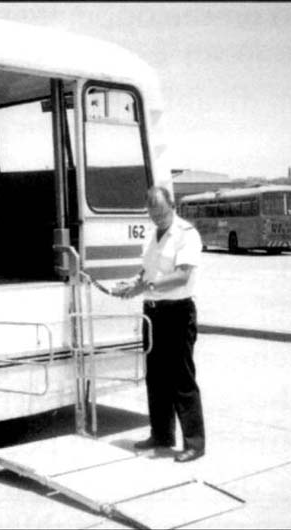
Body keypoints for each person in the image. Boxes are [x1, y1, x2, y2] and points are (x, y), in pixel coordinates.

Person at [113, 185, 205, 463]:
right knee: (156, 377)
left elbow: (181, 276)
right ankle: (162, 434)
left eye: (162, 214)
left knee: (181, 378)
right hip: (153, 313)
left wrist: (147, 286)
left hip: (177, 312)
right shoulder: (153, 236)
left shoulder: (187, 234)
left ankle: (195, 443)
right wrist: (134, 284)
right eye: (153, 214)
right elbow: (148, 270)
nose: (157, 219)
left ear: (172, 206)